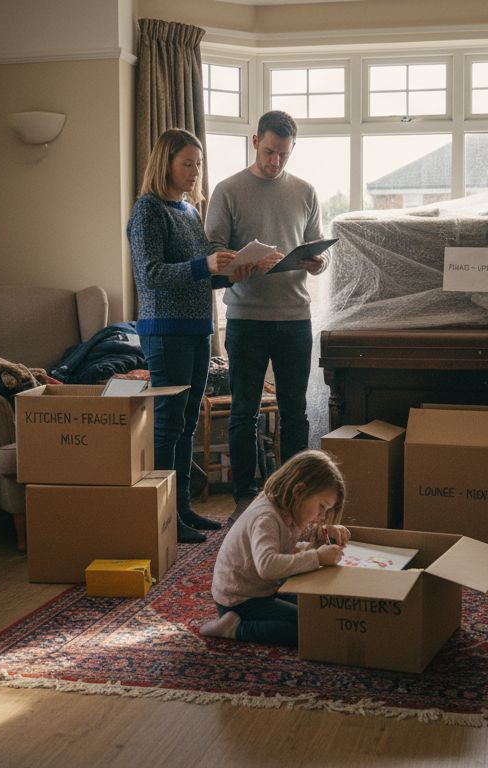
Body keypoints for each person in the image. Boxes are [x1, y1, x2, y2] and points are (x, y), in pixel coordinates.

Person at [127, 128, 269, 543]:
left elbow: (198, 276)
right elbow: (150, 275)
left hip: (196, 330)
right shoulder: (148, 210)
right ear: (165, 163)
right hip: (164, 330)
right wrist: (204, 266)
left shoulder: (190, 211)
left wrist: (231, 273)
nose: (195, 171)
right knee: (169, 425)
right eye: (187, 163)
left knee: (188, 423)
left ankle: (183, 508)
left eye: (199, 163)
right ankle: (163, 513)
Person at [205, 110, 327, 520]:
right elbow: (213, 254)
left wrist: (317, 264)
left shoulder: (307, 191)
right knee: (244, 410)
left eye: (284, 155)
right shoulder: (228, 189)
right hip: (246, 317)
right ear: (255, 140)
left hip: (295, 316)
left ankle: (295, 495)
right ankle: (244, 498)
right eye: (270, 151)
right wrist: (236, 264)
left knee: (295, 411)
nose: (276, 161)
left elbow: (316, 251)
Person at [200, 449, 350, 646]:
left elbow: (292, 536)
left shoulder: (288, 506)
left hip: (262, 589)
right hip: (239, 600)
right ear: (298, 491)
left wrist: (323, 531)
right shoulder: (267, 517)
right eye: (322, 507)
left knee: (317, 609)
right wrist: (318, 558)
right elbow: (268, 566)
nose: (322, 516)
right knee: (309, 627)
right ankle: (235, 629)